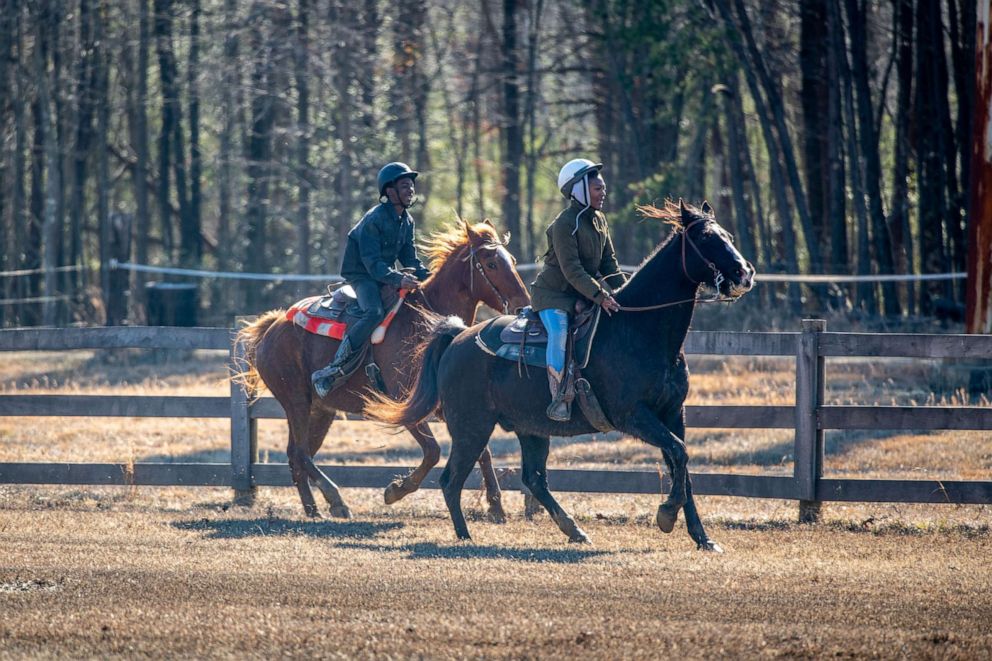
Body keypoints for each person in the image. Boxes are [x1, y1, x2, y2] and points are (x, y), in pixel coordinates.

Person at [311, 162, 431, 398]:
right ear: (390, 191)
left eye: (411, 186)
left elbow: (410, 259)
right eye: (405, 186)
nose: (410, 190)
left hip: (383, 274)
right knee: (374, 312)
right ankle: (334, 368)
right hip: (362, 275)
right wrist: (398, 279)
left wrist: (430, 276)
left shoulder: (407, 221)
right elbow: (372, 265)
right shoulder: (373, 219)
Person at [530, 158, 626, 421]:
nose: (603, 193)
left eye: (603, 188)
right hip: (552, 296)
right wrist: (600, 295)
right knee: (559, 331)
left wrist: (626, 292)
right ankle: (559, 396)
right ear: (579, 189)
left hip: (582, 294)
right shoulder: (564, 223)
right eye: (597, 188)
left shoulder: (601, 221)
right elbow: (572, 270)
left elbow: (609, 265)